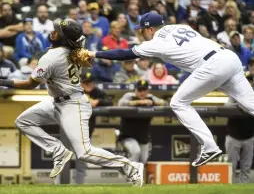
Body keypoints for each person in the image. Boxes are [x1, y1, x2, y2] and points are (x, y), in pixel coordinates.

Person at [87, 11, 254, 167]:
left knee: (178, 103)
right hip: (229, 58)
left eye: (143, 30)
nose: (141, 33)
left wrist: (93, 54)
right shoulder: (181, 26)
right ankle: (210, 146)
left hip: (212, 65)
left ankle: (210, 146)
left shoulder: (156, 43)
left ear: (151, 29)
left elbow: (124, 54)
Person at [0, 18, 144, 187]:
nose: (52, 32)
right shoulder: (74, 44)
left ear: (63, 39)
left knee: (84, 153)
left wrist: (3, 81)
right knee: (23, 121)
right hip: (57, 101)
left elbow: (29, 84)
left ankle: (131, 167)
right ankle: (58, 150)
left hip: (73, 104)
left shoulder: (51, 57)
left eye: (57, 32)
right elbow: (79, 41)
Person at [118, 80, 167, 164]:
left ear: (147, 91)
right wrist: (138, 102)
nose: (142, 93)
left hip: (143, 137)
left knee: (143, 160)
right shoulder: (129, 96)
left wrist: (154, 102)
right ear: (135, 90)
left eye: (144, 90)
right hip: (127, 136)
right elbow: (120, 103)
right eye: (140, 90)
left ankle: (135, 175)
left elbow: (166, 104)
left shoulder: (150, 97)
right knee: (135, 152)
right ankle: (131, 176)